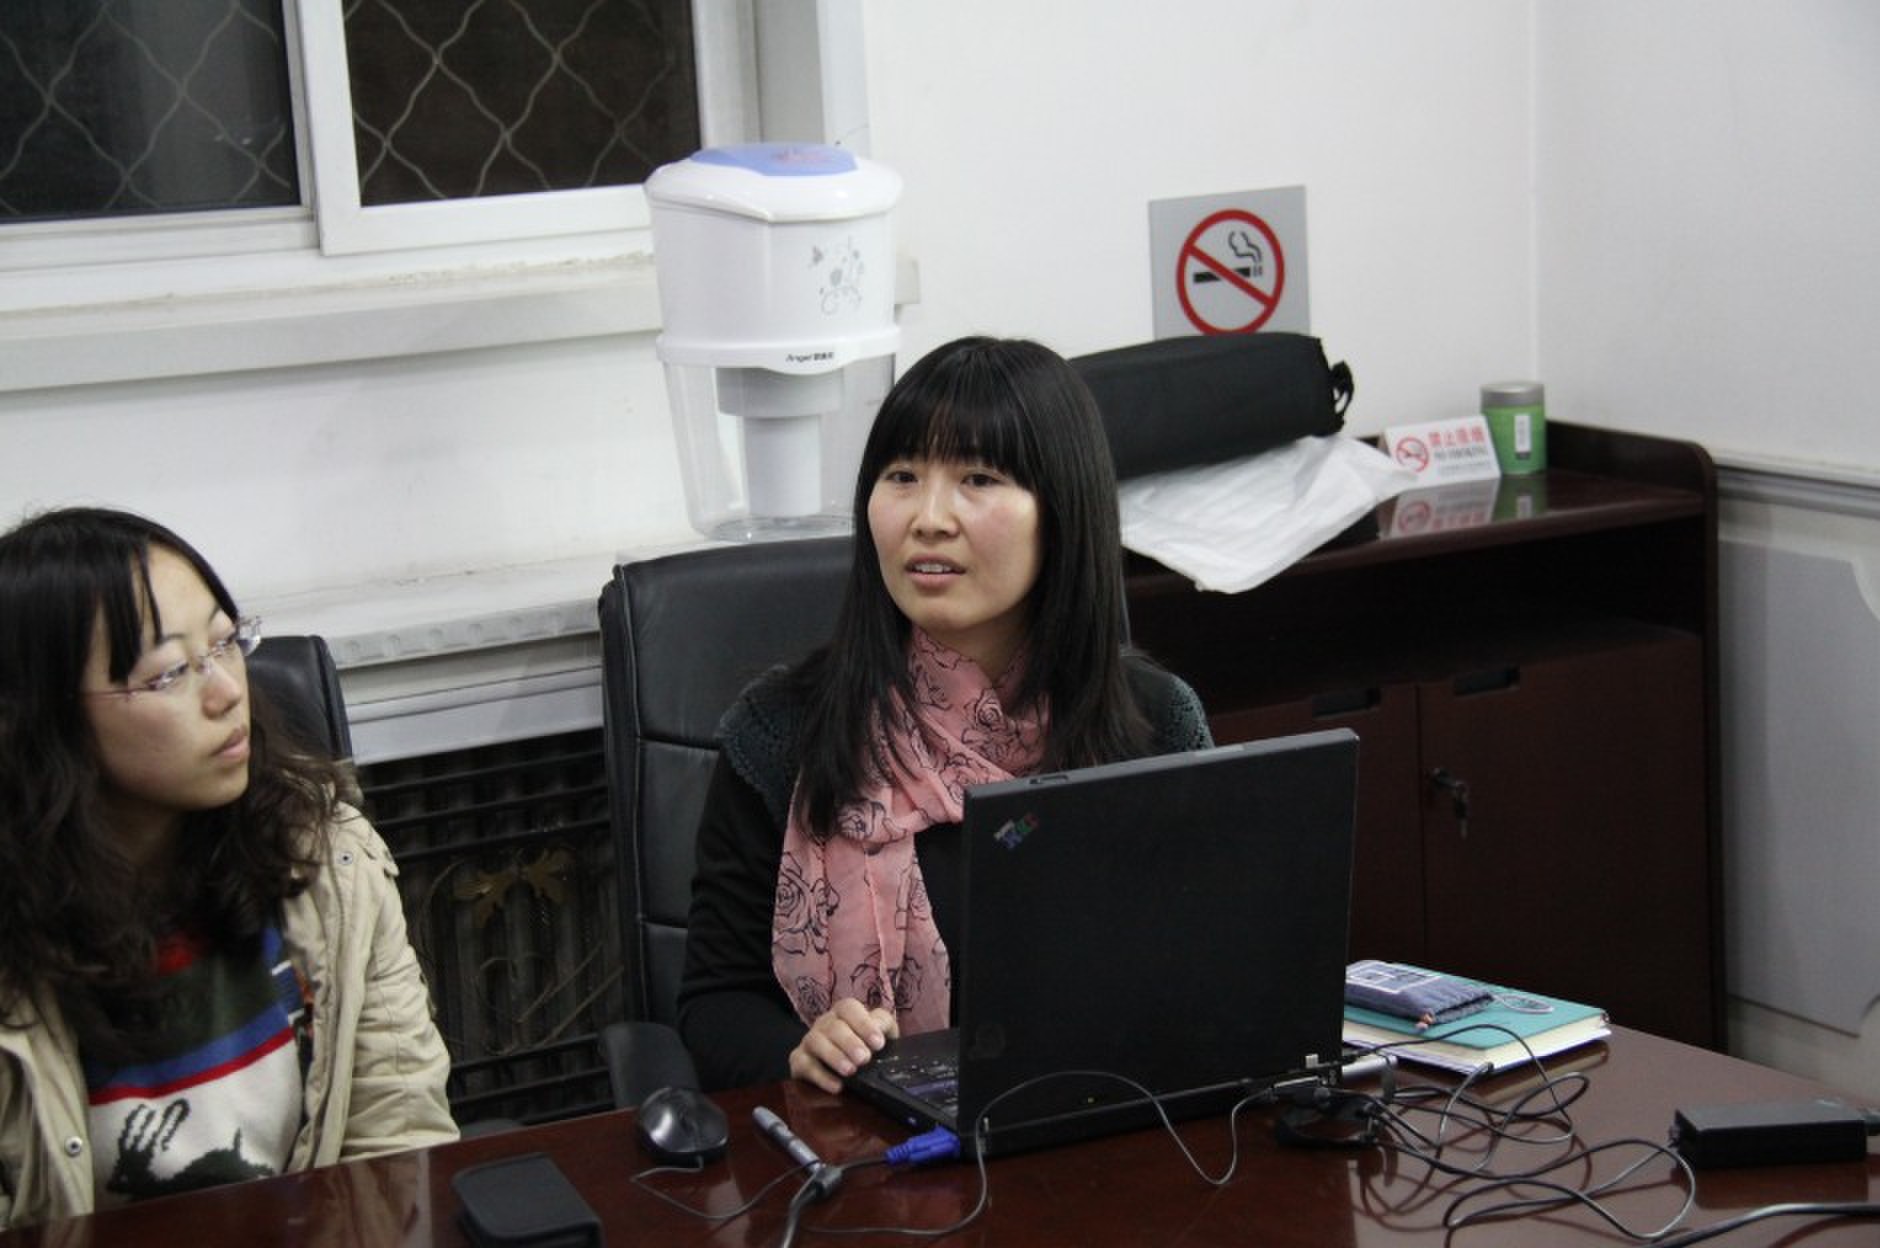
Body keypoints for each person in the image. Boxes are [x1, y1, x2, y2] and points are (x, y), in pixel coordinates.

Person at [678, 336, 1214, 1093]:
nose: (928, 518)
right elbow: (715, 1005)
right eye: (902, 476)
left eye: (978, 478)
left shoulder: (1152, 726)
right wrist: (801, 1051)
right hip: (868, 1140)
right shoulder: (782, 731)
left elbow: (1207, 973)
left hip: (1096, 1124)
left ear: (1062, 511)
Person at [0, 508, 457, 1230]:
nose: (226, 693)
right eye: (169, 673)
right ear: (41, 716)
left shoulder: (327, 858)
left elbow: (398, 1143)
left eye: (224, 643)